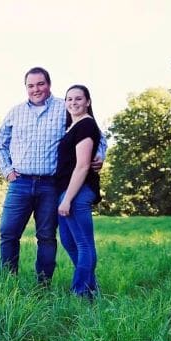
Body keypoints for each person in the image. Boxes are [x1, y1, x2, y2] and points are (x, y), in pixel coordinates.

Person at [0, 67, 106, 285]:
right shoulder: (15, 112)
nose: (36, 89)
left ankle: (43, 285)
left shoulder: (63, 108)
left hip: (51, 185)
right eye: (31, 85)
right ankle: (8, 283)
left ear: (49, 84)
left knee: (46, 237)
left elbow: (95, 133)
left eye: (40, 84)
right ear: (26, 87)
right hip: (20, 183)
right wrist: (7, 171)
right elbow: (0, 143)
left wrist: (100, 154)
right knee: (8, 233)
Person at [55, 84, 101, 298]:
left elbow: (83, 165)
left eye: (78, 99)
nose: (73, 103)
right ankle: (91, 288)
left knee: (83, 244)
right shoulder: (72, 126)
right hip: (67, 191)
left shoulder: (86, 126)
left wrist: (68, 200)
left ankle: (81, 292)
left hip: (78, 192)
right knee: (68, 241)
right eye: (69, 99)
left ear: (88, 102)